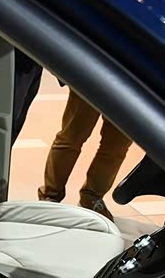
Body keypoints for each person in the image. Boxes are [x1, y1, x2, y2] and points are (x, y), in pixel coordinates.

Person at [38, 89, 133, 220]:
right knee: (71, 137)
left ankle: (92, 198)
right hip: (96, 81)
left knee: (116, 147)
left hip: (131, 90)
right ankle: (50, 196)